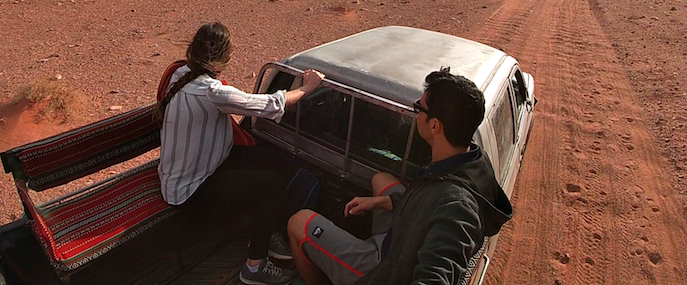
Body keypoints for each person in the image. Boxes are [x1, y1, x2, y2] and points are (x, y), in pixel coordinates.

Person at [287, 67, 513, 285]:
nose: (415, 114)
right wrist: (384, 201)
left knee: (299, 222)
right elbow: (427, 199)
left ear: (434, 125)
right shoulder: (470, 158)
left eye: (419, 108)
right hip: (401, 241)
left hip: (385, 271)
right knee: (381, 179)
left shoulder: (457, 209)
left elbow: (437, 273)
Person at [157, 22, 325, 285]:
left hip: (188, 172)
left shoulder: (181, 73)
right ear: (225, 56)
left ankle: (265, 229)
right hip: (191, 190)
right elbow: (268, 104)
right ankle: (254, 267)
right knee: (271, 186)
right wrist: (307, 88)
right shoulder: (211, 91)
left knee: (270, 160)